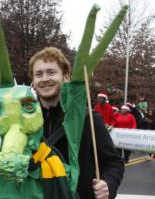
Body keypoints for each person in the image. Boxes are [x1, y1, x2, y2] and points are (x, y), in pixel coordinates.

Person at [29, 47, 124, 199]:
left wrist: (108, 185)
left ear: (66, 77)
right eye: (38, 74)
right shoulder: (26, 121)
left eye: (51, 72)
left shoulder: (89, 119)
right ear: (33, 82)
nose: (45, 78)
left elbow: (114, 162)